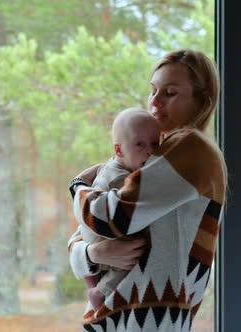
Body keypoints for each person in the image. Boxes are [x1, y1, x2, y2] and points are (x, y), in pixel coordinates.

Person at [67, 49, 227, 332]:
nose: (155, 101)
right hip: (132, 315)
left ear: (201, 100)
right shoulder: (156, 156)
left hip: (146, 319)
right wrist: (94, 253)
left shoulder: (191, 150)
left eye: (170, 92)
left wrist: (78, 186)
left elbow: (110, 218)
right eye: (153, 90)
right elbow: (84, 234)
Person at [76, 107, 160, 311]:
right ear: (119, 150)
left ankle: (92, 282)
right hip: (108, 241)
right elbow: (130, 216)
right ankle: (101, 292)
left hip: (91, 241)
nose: (149, 151)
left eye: (155, 144)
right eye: (140, 144)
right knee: (137, 250)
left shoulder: (108, 167)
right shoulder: (123, 179)